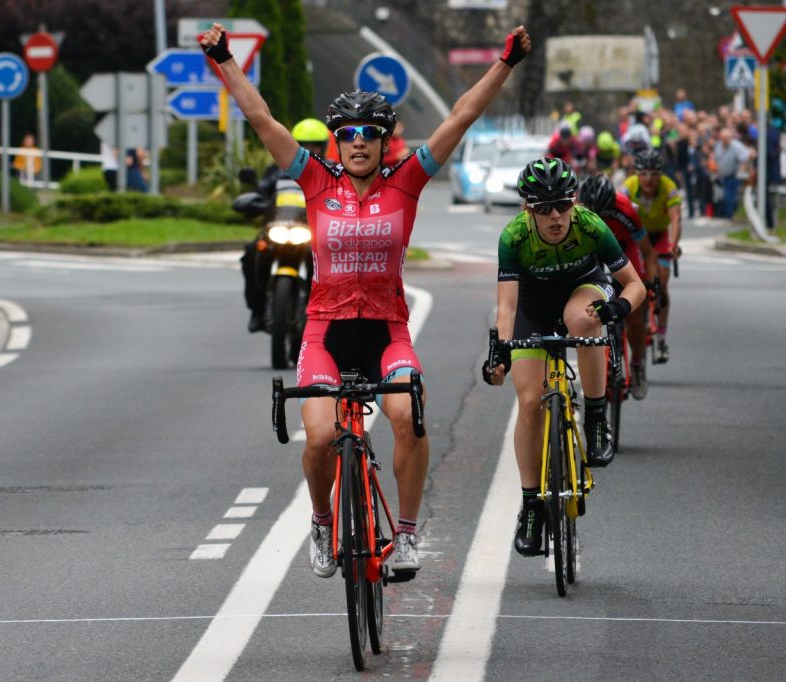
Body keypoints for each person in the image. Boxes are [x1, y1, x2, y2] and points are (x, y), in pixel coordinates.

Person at [200, 21, 533, 577]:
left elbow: (460, 118)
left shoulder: (406, 180)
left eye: (369, 133)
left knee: (407, 417)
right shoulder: (314, 181)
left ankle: (404, 535)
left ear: (384, 141)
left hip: (387, 330)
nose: (358, 141)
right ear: (337, 139)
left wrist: (505, 63)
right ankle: (321, 522)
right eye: (349, 132)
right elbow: (262, 119)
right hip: (324, 331)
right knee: (322, 438)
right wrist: (224, 59)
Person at [482, 158, 645, 557]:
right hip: (533, 306)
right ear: (528, 210)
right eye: (543, 209)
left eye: (562, 205)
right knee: (530, 402)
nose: (555, 216)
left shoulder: (590, 225)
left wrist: (617, 310)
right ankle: (532, 505)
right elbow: (506, 307)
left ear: (574, 201)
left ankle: (594, 415)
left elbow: (634, 285)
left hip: (582, 289)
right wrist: (501, 352)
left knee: (582, 322)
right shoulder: (514, 237)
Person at [242, 118, 327, 333]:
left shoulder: (331, 171)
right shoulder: (276, 171)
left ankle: (327, 315)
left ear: (323, 147)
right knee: (251, 254)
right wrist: (253, 202)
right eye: (303, 145)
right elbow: (260, 193)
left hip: (315, 234)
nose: (309, 150)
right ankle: (257, 309)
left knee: (331, 261)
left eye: (315, 145)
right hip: (277, 229)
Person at [578, 174, 658, 399]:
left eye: (603, 214)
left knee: (635, 310)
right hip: (592, 251)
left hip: (623, 251)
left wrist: (650, 285)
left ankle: (638, 363)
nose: (598, 219)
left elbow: (647, 252)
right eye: (593, 213)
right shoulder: (575, 208)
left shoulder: (626, 210)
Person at [621, 149, 682, 364]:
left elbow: (675, 219)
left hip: (659, 236)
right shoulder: (629, 186)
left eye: (653, 174)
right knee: (638, 278)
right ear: (637, 174)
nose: (648, 179)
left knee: (662, 282)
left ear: (661, 175)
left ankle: (662, 338)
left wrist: (674, 245)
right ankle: (642, 312)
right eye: (643, 173)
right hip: (637, 236)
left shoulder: (669, 187)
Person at [711, 126, 749, 220]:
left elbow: (745, 156)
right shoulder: (718, 146)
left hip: (734, 174)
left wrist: (742, 165)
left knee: (730, 196)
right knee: (725, 196)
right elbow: (716, 158)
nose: (724, 140)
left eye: (726, 138)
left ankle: (730, 215)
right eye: (723, 138)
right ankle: (729, 214)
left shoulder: (736, 146)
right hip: (723, 175)